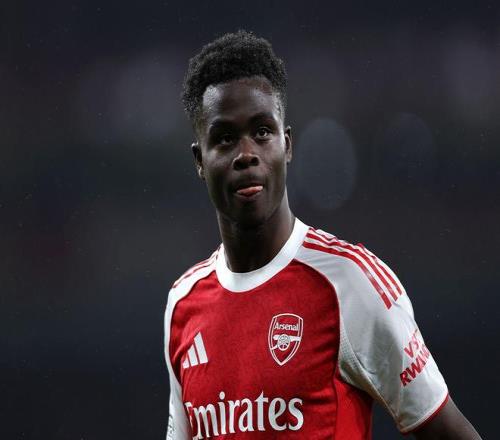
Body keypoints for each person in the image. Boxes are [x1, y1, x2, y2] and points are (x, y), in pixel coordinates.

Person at [164, 30, 481, 439]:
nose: (246, 154)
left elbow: (450, 431)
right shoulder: (183, 304)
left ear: (287, 145)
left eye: (262, 132)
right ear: (199, 160)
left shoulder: (350, 281)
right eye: (225, 138)